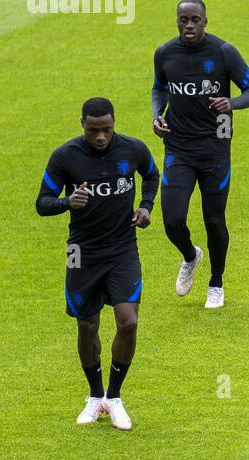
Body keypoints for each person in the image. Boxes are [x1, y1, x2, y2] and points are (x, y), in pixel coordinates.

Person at [36, 97, 159, 431]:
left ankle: (114, 397)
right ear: (82, 125)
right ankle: (94, 396)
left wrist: (146, 207)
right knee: (87, 325)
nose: (101, 136)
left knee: (128, 322)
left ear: (114, 122)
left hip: (122, 249)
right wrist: (67, 201)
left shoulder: (133, 149)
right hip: (82, 253)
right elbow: (42, 203)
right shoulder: (65, 157)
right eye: (94, 131)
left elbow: (151, 174)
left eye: (106, 129)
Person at [151, 0, 249, 310]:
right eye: (183, 19)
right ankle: (190, 255)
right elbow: (159, 87)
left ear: (205, 21)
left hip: (215, 147)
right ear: (176, 21)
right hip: (178, 147)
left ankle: (216, 281)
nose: (189, 25)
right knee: (172, 220)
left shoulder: (223, 52)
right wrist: (158, 114)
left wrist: (231, 103)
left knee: (214, 219)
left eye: (195, 19)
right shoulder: (164, 53)